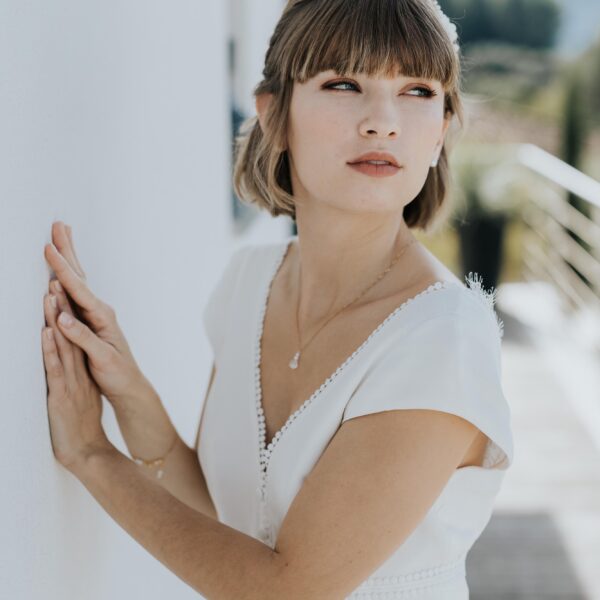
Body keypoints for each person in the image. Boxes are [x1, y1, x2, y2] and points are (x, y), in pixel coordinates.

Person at [43, 1, 513, 598]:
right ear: (274, 115)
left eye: (418, 91)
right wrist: (126, 387)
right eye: (343, 83)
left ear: (441, 128)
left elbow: (286, 589)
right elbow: (222, 518)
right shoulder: (248, 285)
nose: (383, 121)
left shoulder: (443, 338)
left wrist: (91, 453)